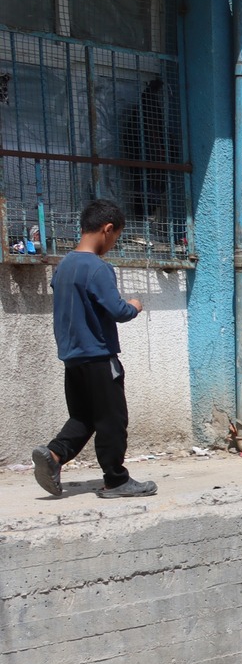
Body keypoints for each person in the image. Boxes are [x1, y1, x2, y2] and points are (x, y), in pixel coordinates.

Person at [30, 199, 153, 499]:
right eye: (116, 237)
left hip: (72, 358)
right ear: (107, 229)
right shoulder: (98, 268)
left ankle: (54, 455)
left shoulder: (64, 266)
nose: (113, 244)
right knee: (113, 419)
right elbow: (118, 311)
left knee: (84, 417)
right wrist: (134, 306)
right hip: (98, 356)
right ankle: (116, 480)